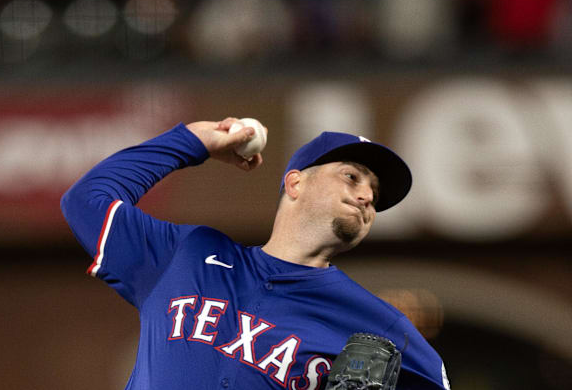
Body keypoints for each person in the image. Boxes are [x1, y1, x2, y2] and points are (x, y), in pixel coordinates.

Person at [61, 118, 451, 390]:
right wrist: (192, 141)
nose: (367, 196)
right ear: (295, 183)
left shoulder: (378, 324)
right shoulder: (187, 255)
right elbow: (86, 200)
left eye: (375, 194)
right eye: (351, 176)